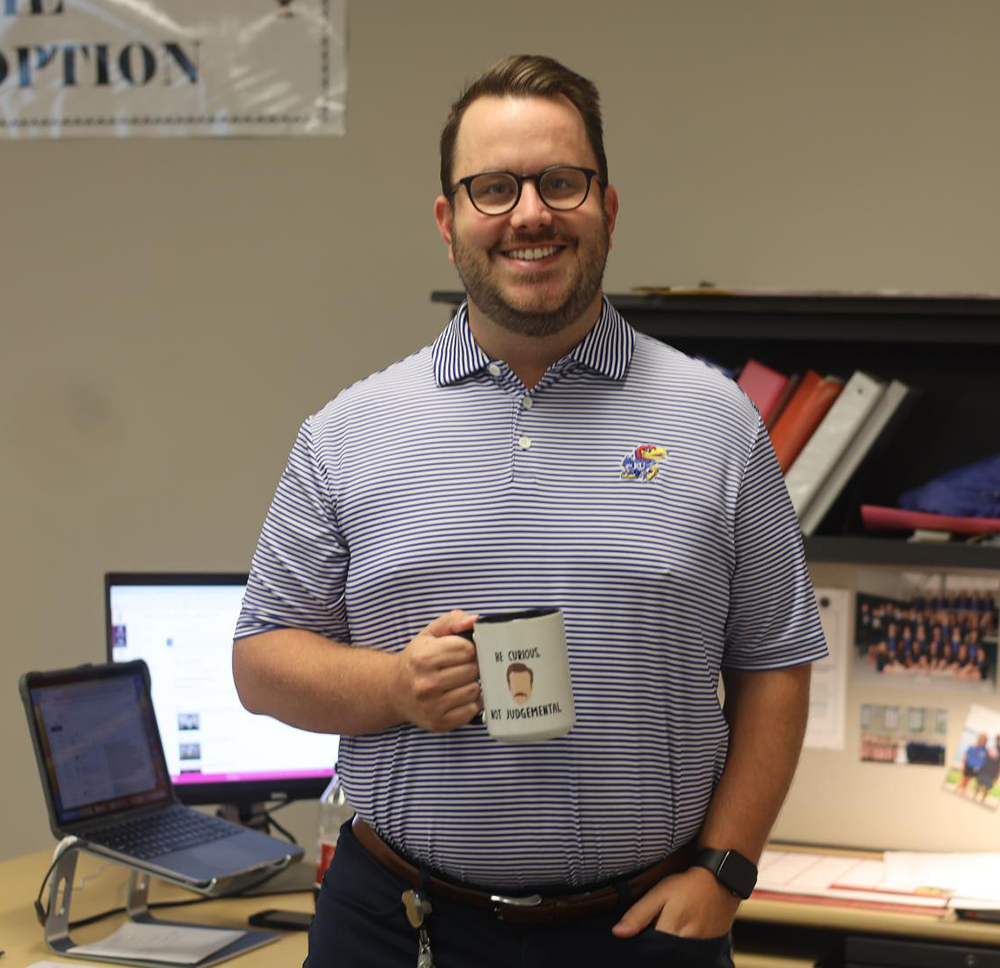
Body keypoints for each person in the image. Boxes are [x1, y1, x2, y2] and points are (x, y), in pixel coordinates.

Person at [232, 54, 827, 968]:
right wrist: (394, 688)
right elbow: (262, 663)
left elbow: (775, 660)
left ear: (609, 208)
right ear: (449, 221)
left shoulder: (715, 421)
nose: (531, 214)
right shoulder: (348, 429)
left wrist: (728, 867)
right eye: (494, 188)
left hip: (640, 931)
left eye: (561, 182)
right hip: (399, 927)